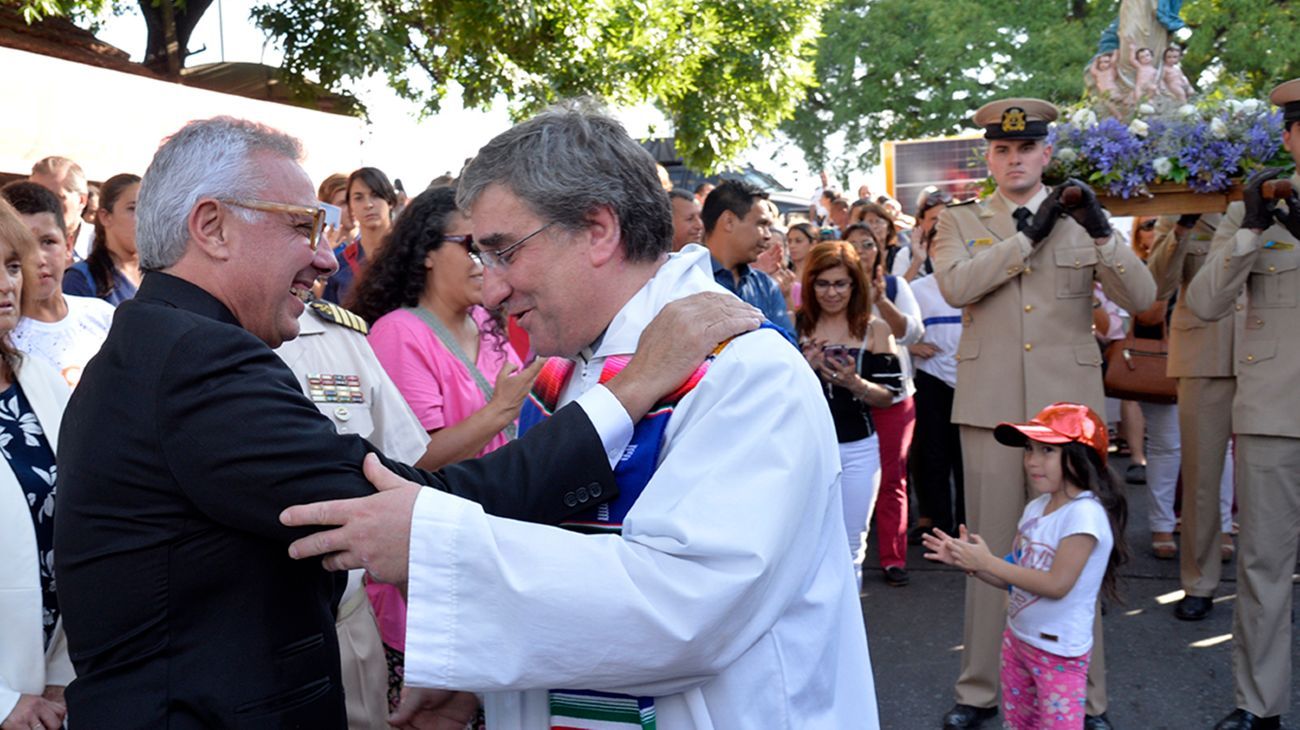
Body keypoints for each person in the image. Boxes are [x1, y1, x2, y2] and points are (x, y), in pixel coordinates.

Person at [53, 115, 752, 728]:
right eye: (304, 227)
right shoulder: (193, 359)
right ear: (211, 227)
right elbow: (409, 507)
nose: (327, 256)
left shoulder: (166, 344)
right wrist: (629, 393)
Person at [281, 100, 878, 729]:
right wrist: (488, 681)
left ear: (598, 230)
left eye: (506, 251)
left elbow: (685, 613)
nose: (493, 289)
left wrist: (437, 548)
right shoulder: (579, 365)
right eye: (483, 257)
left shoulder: (743, 371)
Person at [930, 97, 1155, 730]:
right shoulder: (960, 220)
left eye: (1026, 148)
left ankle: (1087, 699)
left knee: (1082, 554)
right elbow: (955, 287)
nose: (1013, 159)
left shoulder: (1083, 216)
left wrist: (1103, 230)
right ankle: (978, 690)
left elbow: (1143, 297)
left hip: (1069, 415)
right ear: (989, 157)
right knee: (990, 546)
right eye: (1001, 150)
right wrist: (1028, 237)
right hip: (992, 404)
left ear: (1047, 153)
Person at [349, 185, 537, 706]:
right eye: (470, 246)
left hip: (489, 557)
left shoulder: (488, 323)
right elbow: (414, 459)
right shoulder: (399, 333)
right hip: (427, 576)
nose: (485, 263)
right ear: (429, 251)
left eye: (493, 250)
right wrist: (499, 411)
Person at [1184, 77, 1300, 730]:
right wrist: (1253, 228)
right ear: (1289, 136)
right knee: (1262, 569)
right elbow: (1203, 304)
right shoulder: (1258, 206)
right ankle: (1259, 706)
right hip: (1275, 416)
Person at [274, 291, 429, 730]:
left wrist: (430, 649)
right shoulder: (173, 343)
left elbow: (403, 486)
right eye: (300, 227)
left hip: (345, 626)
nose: (323, 258)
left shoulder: (340, 338)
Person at [922, 402, 1127, 730]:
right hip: (1018, 640)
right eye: (1029, 450)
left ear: (1080, 455)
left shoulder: (1084, 515)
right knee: (1019, 724)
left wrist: (987, 562)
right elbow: (1015, 574)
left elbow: (1056, 584)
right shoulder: (1036, 507)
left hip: (1059, 654)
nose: (1032, 460)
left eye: (1047, 450)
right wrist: (971, 564)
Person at [0, 200, 74, 730]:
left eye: (9, 264)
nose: (7, 284)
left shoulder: (40, 379)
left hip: (54, 688)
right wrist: (3, 701)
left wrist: (61, 673)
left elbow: (84, 522)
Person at [1146, 210, 1238, 621]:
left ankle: (1267, 584)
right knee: (1201, 475)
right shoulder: (1186, 207)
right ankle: (1199, 581)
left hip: (1276, 352)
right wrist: (1182, 227)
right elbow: (1158, 287)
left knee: (1279, 472)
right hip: (1204, 353)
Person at [797, 241, 900, 591]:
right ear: (810, 285)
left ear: (855, 284)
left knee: (852, 546)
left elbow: (890, 396)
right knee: (804, 547)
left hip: (858, 449)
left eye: (841, 283)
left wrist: (855, 384)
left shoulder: (875, 329)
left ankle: (847, 638)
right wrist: (804, 371)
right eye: (822, 283)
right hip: (804, 450)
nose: (832, 292)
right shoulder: (795, 326)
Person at [845, 220, 924, 586]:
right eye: (853, 244)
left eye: (868, 244)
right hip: (844, 398)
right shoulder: (829, 288)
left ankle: (893, 558)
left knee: (893, 478)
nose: (861, 251)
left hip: (892, 397)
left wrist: (881, 302)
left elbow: (912, 332)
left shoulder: (895, 285)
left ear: (880, 250)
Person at [0, 182, 115, 389]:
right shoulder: (6, 342)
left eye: (48, 242)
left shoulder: (104, 318)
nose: (38, 258)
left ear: (68, 245)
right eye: (24, 246)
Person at [1126, 216, 1183, 559]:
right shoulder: (1143, 268)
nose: (1155, 230)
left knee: (1218, 448)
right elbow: (1147, 315)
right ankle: (1162, 525)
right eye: (1149, 225)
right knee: (1165, 446)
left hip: (1212, 356)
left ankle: (1219, 525)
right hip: (1159, 363)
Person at [907, 251, 965, 541]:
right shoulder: (918, 289)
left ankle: (968, 526)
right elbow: (898, 328)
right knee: (933, 455)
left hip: (974, 379)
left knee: (968, 456)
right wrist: (913, 347)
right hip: (932, 379)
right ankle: (938, 525)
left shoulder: (980, 284)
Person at [701, 179, 795, 332]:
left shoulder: (766, 287)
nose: (768, 235)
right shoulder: (684, 279)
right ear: (728, 221)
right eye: (761, 224)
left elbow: (786, 347)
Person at [63, 173, 143, 306]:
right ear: (105, 217)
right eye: (132, 209)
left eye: (146, 209)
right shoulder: (82, 279)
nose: (142, 217)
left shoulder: (159, 275)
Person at [322, 167, 398, 304]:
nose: (368, 205)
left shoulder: (413, 252)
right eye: (358, 198)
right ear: (351, 206)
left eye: (376, 195)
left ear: (390, 201)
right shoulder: (340, 264)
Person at [28, 156, 93, 262]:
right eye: (36, 197)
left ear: (82, 200)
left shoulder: (106, 246)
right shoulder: (15, 243)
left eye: (56, 198)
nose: (44, 205)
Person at [786, 221, 819, 308]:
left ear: (813, 244)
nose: (792, 246)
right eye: (789, 241)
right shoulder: (785, 273)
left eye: (798, 241)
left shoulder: (818, 273)